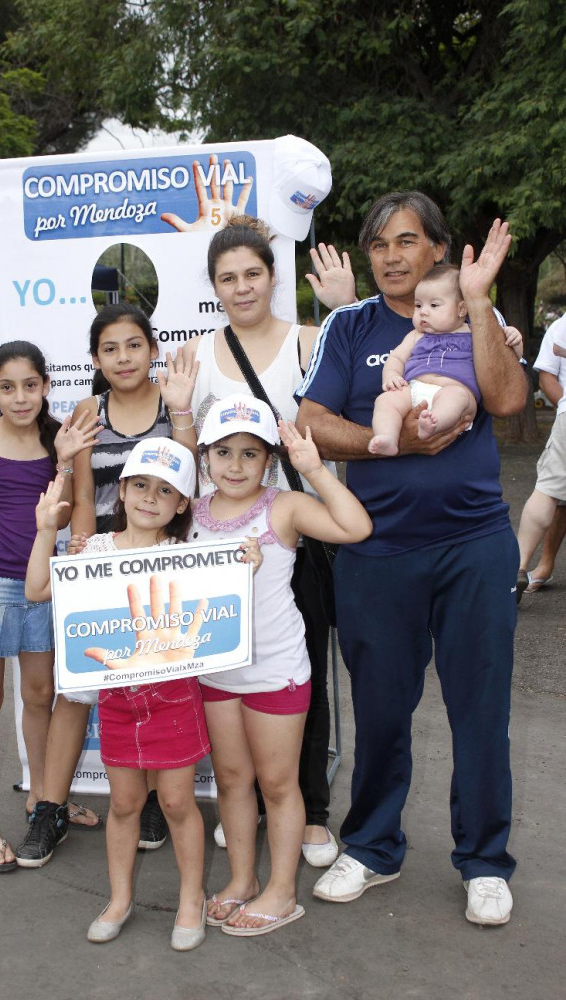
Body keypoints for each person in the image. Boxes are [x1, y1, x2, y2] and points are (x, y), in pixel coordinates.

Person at [295, 191, 527, 927]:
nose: (391, 256)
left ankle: (484, 862)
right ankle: (371, 846)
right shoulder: (352, 327)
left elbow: (509, 398)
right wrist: (379, 440)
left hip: (473, 544)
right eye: (377, 245)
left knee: (480, 708)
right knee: (382, 708)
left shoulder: (471, 317)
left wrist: (480, 301)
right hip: (377, 550)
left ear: (435, 248)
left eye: (405, 241)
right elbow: (312, 422)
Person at [24, 440, 232, 949]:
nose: (149, 498)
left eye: (166, 491)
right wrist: (47, 529)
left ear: (183, 504)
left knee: (179, 802)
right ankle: (119, 899)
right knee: (124, 803)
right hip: (119, 702)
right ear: (121, 490)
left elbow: (224, 601)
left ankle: (190, 902)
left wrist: (241, 562)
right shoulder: (90, 550)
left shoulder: (185, 556)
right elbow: (35, 589)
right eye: (140, 485)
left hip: (174, 697)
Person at [14, 304, 199, 867]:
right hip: (104, 562)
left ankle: (144, 800)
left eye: (134, 345)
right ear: (95, 358)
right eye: (111, 349)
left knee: (153, 679)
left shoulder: (173, 400)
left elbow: (190, 480)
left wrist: (184, 412)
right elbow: (87, 498)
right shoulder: (88, 409)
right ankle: (50, 807)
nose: (124, 358)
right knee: (79, 688)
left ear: (152, 348)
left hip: (163, 563)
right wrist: (88, 559)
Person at [184, 215, 343, 867]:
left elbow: (377, 377)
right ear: (214, 287)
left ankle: (310, 808)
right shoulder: (196, 352)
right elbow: (186, 448)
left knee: (299, 666)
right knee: (229, 668)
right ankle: (244, 803)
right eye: (228, 278)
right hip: (224, 541)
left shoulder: (312, 341)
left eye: (252, 274)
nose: (241, 287)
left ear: (273, 278)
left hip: (296, 532)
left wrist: (345, 308)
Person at [193, 394, 372, 936]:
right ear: (204, 457)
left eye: (250, 454)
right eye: (223, 452)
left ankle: (281, 890)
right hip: (215, 672)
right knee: (231, 780)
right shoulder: (193, 511)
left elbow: (355, 527)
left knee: (277, 783)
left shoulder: (283, 508)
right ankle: (244, 878)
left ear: (269, 460)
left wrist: (313, 468)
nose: (235, 465)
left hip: (275, 671)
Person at [0, 340, 100, 872]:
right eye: (7, 387)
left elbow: (71, 508)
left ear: (46, 386)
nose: (20, 397)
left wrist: (64, 461)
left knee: (39, 695)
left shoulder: (62, 441)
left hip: (42, 585)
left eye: (30, 385)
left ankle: (40, 798)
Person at [369, 264, 523, 455]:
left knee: (455, 398)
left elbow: (509, 359)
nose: (423, 312)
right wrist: (390, 376)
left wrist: (514, 340)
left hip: (456, 390)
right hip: (414, 389)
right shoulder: (416, 335)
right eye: (418, 305)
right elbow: (396, 358)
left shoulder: (476, 333)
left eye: (434, 305)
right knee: (385, 401)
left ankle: (433, 423)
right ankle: (387, 437)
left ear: (461, 309)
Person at [515, 314, 566, 600]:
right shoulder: (560, 325)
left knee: (547, 491)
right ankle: (528, 566)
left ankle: (517, 567)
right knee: (555, 496)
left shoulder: (562, 326)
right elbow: (547, 377)